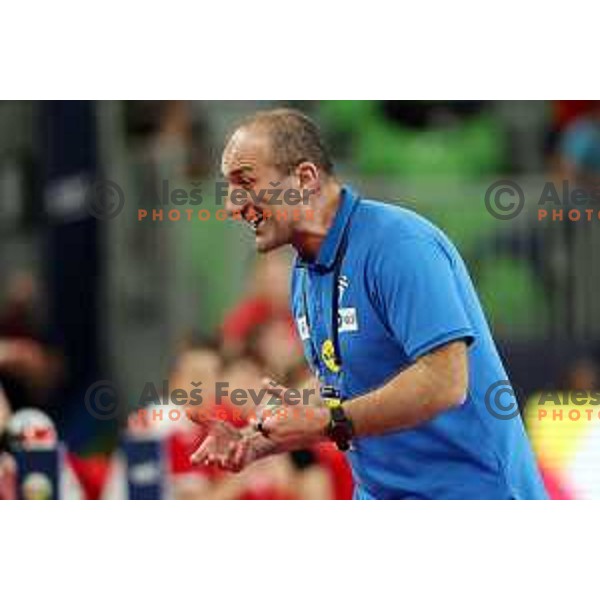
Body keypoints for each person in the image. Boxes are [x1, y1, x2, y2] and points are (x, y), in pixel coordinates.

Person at [189, 108, 548, 500]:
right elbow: (350, 381)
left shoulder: (399, 246)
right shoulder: (303, 274)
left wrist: (325, 423)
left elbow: (446, 381)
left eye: (246, 183)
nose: (231, 205)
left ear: (305, 179)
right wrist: (259, 439)